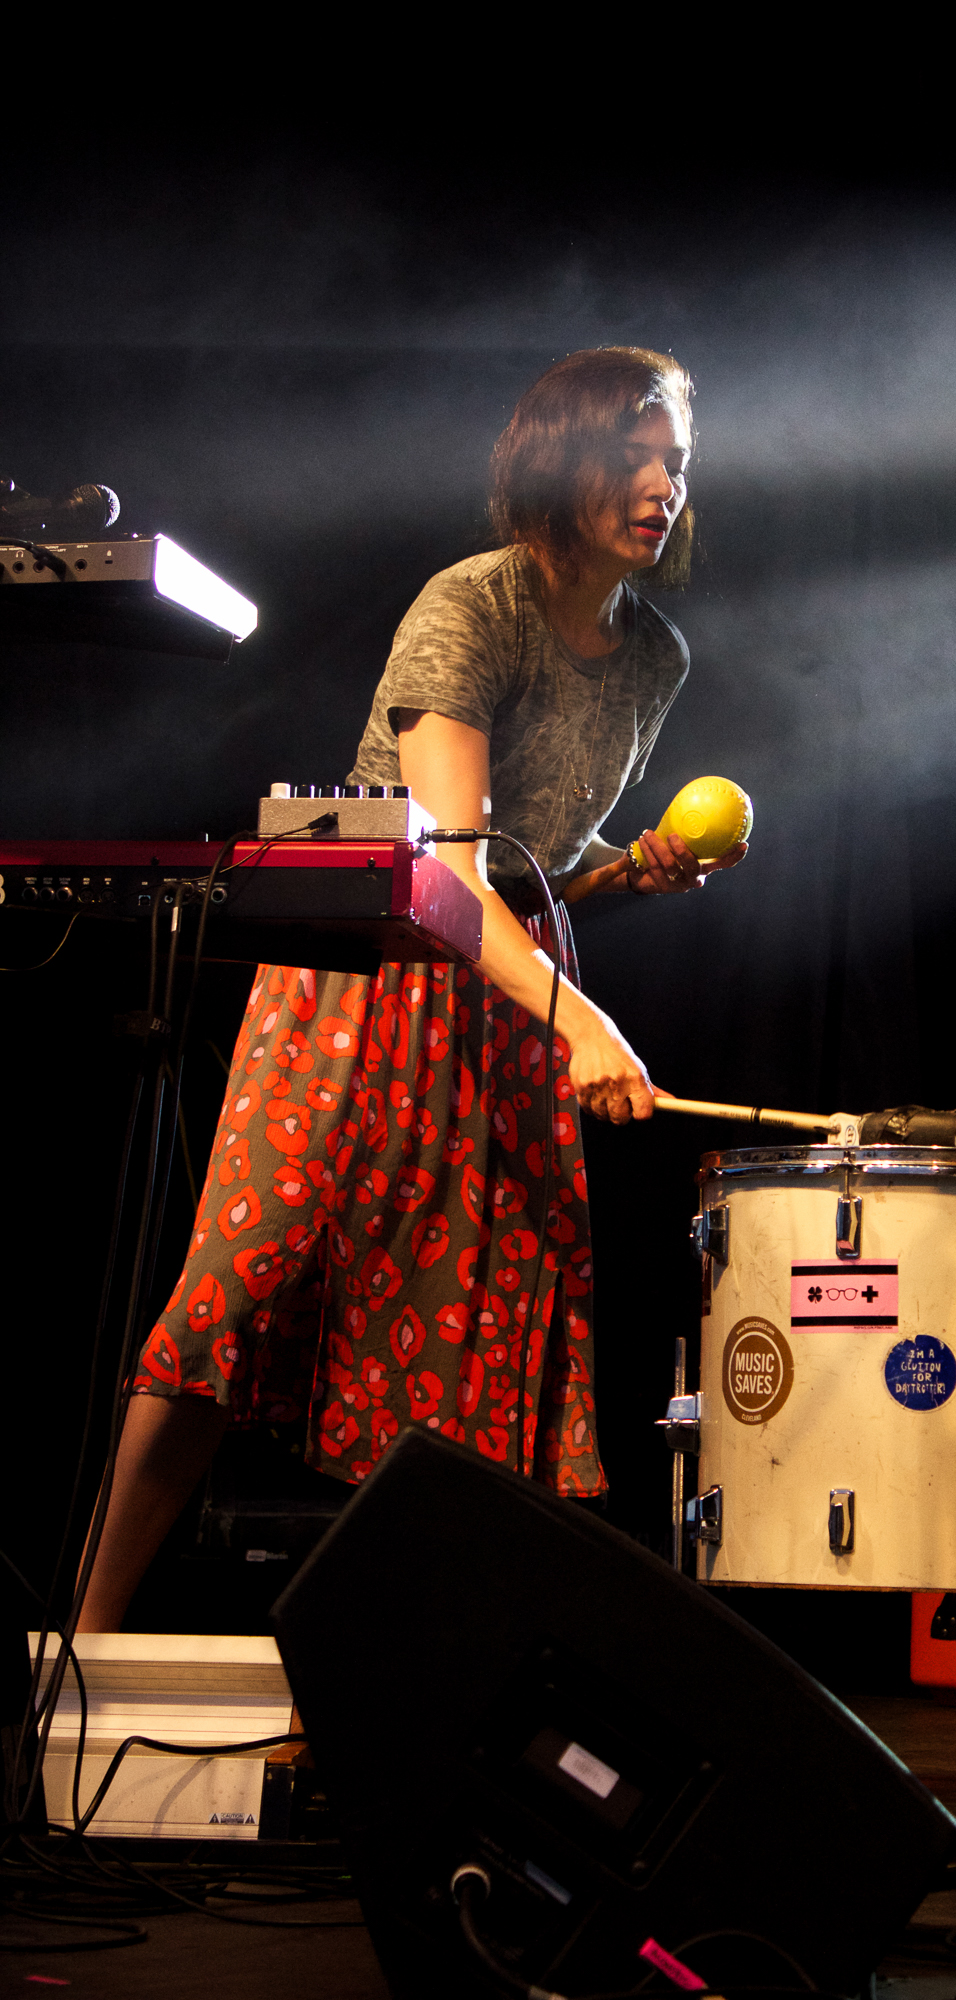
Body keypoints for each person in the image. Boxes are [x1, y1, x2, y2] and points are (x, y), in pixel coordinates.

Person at [77, 346, 746, 1632]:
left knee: (483, 1341)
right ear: (563, 459)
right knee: (237, 1292)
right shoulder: (472, 605)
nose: (662, 484)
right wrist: (584, 1018)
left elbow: (531, 861)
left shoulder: (653, 656)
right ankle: (88, 1640)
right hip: (363, 983)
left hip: (498, 999)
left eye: (676, 462)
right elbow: (443, 868)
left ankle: (426, 1670)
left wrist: (628, 869)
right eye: (635, 454)